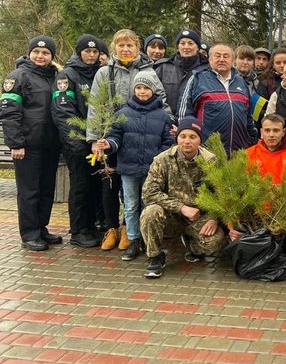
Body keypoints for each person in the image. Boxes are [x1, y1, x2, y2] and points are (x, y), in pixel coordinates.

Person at [87, 29, 171, 251]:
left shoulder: (147, 71)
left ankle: (129, 230)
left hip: (141, 137)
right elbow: (95, 106)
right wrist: (95, 138)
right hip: (111, 135)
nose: (125, 49)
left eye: (130, 45)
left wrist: (170, 123)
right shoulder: (105, 73)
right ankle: (112, 227)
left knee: (133, 191)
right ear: (114, 47)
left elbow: (161, 100)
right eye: (121, 45)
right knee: (110, 184)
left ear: (138, 48)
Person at [94, 73, 174, 261]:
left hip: (151, 171)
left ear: (153, 90)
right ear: (134, 90)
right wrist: (109, 144)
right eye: (138, 88)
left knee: (148, 206)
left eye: (146, 88)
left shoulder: (162, 116)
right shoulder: (122, 114)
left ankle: (148, 240)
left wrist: (157, 159)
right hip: (128, 169)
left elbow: (168, 141)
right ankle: (133, 239)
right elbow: (116, 137)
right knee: (130, 205)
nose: (142, 91)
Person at [140, 117, 226, 278]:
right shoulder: (163, 160)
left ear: (200, 139)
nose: (187, 141)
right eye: (183, 136)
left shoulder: (211, 161)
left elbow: (221, 193)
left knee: (215, 243)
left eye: (192, 137)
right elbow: (149, 193)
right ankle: (155, 256)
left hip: (199, 216)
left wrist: (214, 218)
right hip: (171, 215)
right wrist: (181, 208)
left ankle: (191, 243)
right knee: (150, 212)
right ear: (177, 138)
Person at [0, 36, 61, 251]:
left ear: (52, 56)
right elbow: (9, 113)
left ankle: (41, 228)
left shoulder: (55, 76)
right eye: (36, 52)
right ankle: (29, 233)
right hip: (28, 146)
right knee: (29, 191)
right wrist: (16, 144)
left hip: (51, 145)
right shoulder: (17, 77)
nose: (40, 56)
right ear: (29, 53)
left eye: (45, 53)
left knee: (46, 190)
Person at [51, 34, 104, 248]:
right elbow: (63, 113)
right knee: (80, 187)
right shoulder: (67, 75)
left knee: (94, 187)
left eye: (94, 52)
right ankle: (79, 230)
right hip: (77, 144)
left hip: (97, 143)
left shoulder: (99, 74)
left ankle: (91, 227)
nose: (91, 55)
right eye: (87, 51)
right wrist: (76, 143)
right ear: (79, 52)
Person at [239, 114, 286, 266]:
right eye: (268, 130)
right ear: (261, 132)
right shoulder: (248, 154)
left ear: (283, 132)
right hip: (256, 215)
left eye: (276, 130)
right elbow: (240, 190)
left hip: (284, 214)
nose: (271, 135)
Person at [178, 43, 258, 155]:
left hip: (240, 151)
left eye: (226, 56)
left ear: (233, 61)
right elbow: (185, 115)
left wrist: (253, 141)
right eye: (217, 56)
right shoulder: (197, 79)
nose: (222, 59)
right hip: (207, 151)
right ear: (210, 59)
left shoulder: (242, 82)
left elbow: (249, 116)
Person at [153, 29, 208, 116]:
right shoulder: (163, 67)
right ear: (178, 46)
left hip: (195, 124)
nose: (186, 47)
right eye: (182, 43)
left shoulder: (206, 69)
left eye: (190, 43)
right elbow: (154, 96)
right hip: (166, 120)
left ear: (198, 47)